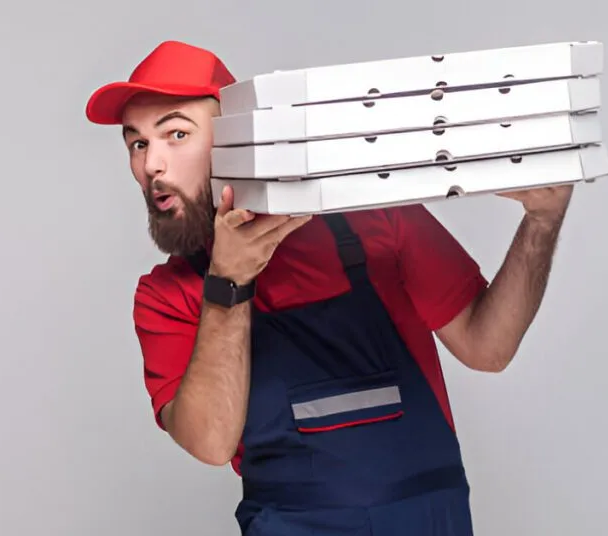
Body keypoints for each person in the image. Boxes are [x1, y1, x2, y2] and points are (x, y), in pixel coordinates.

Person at [85, 40, 574, 536]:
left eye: (176, 134)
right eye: (137, 144)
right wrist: (228, 283)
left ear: (239, 137)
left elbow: (488, 347)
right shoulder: (166, 297)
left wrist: (542, 220)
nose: (152, 165)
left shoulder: (375, 216)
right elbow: (210, 443)